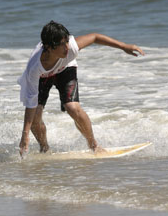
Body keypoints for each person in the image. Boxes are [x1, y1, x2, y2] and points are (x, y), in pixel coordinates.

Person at [18, 21, 144, 157]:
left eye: (67, 41)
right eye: (62, 44)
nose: (67, 47)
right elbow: (31, 103)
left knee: (72, 107)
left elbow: (95, 37)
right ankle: (45, 148)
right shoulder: (34, 67)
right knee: (36, 116)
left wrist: (124, 46)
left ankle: (94, 145)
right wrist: (25, 135)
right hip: (43, 76)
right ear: (49, 47)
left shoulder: (70, 48)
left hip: (65, 68)